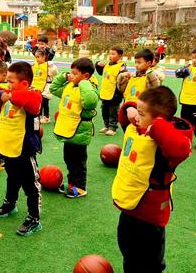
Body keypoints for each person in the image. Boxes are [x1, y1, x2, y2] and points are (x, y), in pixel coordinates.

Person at [111, 86, 193, 273]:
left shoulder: (165, 140)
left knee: (150, 250)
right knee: (126, 241)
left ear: (160, 121)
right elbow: (124, 113)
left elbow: (181, 149)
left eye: (142, 114)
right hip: (130, 201)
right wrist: (131, 108)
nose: (136, 117)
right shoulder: (135, 128)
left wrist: (157, 126)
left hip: (151, 207)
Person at [0, 62, 43, 236]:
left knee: (30, 186)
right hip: (8, 147)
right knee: (12, 178)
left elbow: (26, 101)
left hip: (24, 150)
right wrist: (1, 92)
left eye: (11, 81)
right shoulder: (8, 92)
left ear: (24, 83)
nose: (7, 83)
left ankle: (34, 218)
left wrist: (8, 94)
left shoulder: (34, 95)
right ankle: (10, 203)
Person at [50, 58, 99, 198]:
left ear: (86, 76)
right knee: (69, 159)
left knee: (78, 162)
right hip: (68, 131)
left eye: (74, 73)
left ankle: (80, 187)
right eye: (70, 73)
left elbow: (90, 102)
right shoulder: (70, 86)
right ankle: (72, 184)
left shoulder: (89, 89)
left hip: (79, 132)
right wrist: (64, 76)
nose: (71, 76)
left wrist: (84, 83)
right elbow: (53, 88)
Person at [96, 46, 127, 136]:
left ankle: (112, 127)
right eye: (110, 54)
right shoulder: (107, 64)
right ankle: (106, 125)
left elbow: (123, 80)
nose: (110, 56)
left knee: (113, 110)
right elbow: (100, 72)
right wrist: (98, 64)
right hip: (105, 91)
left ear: (119, 56)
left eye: (113, 54)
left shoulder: (121, 66)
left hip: (115, 93)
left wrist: (121, 92)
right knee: (104, 109)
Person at [31, 49, 58, 123]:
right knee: (39, 102)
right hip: (37, 87)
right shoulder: (35, 65)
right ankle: (38, 115)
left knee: (45, 102)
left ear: (44, 57)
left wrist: (51, 66)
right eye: (36, 57)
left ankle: (46, 117)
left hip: (46, 87)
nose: (37, 59)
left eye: (38, 57)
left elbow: (55, 72)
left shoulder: (48, 66)